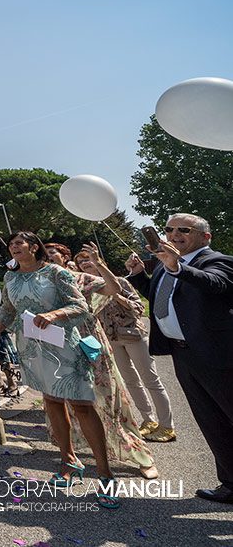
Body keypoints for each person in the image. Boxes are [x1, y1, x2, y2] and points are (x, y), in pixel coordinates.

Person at [0, 231, 121, 508]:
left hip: (62, 344)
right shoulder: (10, 277)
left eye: (19, 243)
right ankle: (69, 462)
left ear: (34, 247)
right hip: (31, 346)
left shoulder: (57, 273)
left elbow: (80, 306)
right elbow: (8, 308)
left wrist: (54, 314)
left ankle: (106, 474)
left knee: (82, 405)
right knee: (50, 401)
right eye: (11, 243)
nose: (13, 247)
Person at [126, 213, 233, 504]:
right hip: (183, 355)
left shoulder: (217, 261)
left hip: (217, 355)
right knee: (211, 422)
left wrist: (176, 266)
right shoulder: (166, 265)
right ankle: (230, 484)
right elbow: (160, 296)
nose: (174, 235)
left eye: (184, 230)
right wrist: (139, 276)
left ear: (205, 236)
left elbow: (215, 285)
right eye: (170, 229)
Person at [60, 243, 159, 479]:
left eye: (88, 259)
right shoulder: (52, 283)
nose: (85, 263)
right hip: (65, 347)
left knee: (111, 397)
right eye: (81, 259)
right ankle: (78, 455)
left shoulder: (87, 280)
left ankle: (139, 453)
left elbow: (121, 295)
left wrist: (102, 267)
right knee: (76, 403)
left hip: (98, 343)